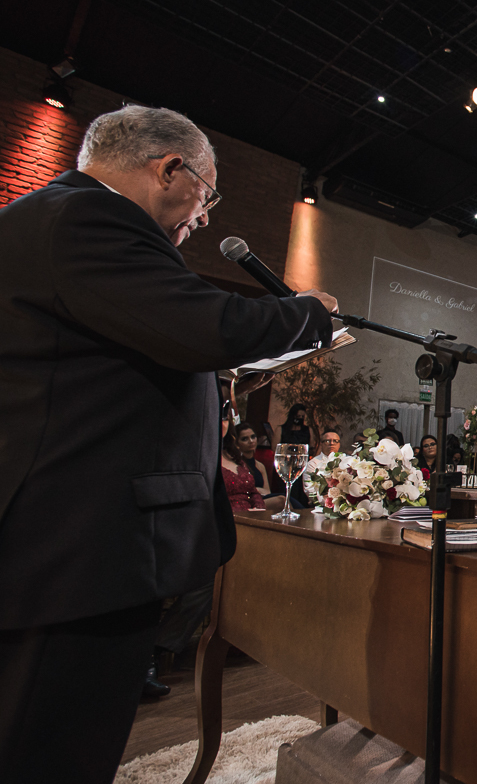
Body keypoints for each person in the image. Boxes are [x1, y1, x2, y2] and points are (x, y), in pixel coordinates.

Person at [0, 104, 337, 782]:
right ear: (169, 169)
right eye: (207, 196)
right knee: (52, 746)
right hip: (76, 546)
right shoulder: (91, 219)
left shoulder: (45, 219)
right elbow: (204, 325)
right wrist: (312, 315)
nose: (205, 218)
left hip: (61, 538)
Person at [231, 422, 285, 511]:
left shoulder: (260, 466)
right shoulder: (235, 464)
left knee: (284, 499)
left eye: (253, 437)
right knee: (281, 500)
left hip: (262, 499)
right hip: (246, 502)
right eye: (245, 439)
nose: (251, 441)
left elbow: (267, 492)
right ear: (237, 443)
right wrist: (256, 490)